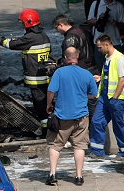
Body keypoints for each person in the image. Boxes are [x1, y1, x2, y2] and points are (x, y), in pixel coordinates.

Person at [0, 9, 55, 128]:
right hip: (45, 76)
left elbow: (12, 44)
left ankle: (46, 130)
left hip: (35, 78)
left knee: (40, 105)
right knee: (46, 102)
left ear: (27, 23)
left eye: (22, 22)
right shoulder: (44, 36)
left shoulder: (30, 38)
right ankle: (49, 124)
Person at [45, 47, 97, 186]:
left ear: (65, 57)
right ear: (77, 57)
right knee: (79, 146)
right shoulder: (86, 74)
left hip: (62, 116)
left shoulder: (59, 72)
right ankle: (79, 177)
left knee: (55, 145)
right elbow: (93, 94)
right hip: (81, 116)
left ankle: (52, 174)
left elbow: (51, 91)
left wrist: (49, 105)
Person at [90, 35, 124, 157]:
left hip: (116, 99)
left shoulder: (119, 58)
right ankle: (97, 151)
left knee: (118, 124)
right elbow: (109, 76)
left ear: (106, 45)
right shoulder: (108, 58)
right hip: (104, 97)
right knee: (97, 121)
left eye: (100, 47)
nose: (99, 50)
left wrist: (115, 97)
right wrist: (100, 78)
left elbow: (122, 80)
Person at [87, 0, 124, 71]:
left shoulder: (119, 6)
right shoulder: (96, 4)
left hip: (114, 42)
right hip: (99, 42)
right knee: (101, 70)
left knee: (115, 70)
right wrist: (99, 20)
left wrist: (114, 22)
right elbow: (89, 21)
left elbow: (123, 25)